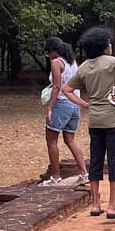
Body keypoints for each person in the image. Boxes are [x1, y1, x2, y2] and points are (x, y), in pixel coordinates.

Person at [62, 26, 115, 219]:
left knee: (95, 161)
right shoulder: (113, 63)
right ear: (105, 47)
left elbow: (66, 89)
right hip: (114, 119)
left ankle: (96, 203)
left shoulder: (85, 66)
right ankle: (113, 205)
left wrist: (84, 104)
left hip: (95, 120)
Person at [41, 37, 88, 186]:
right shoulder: (72, 62)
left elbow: (56, 86)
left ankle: (55, 177)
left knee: (51, 140)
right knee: (70, 139)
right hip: (75, 104)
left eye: (48, 53)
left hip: (62, 103)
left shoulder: (56, 62)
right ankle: (84, 173)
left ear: (52, 51)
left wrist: (49, 107)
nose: (49, 56)